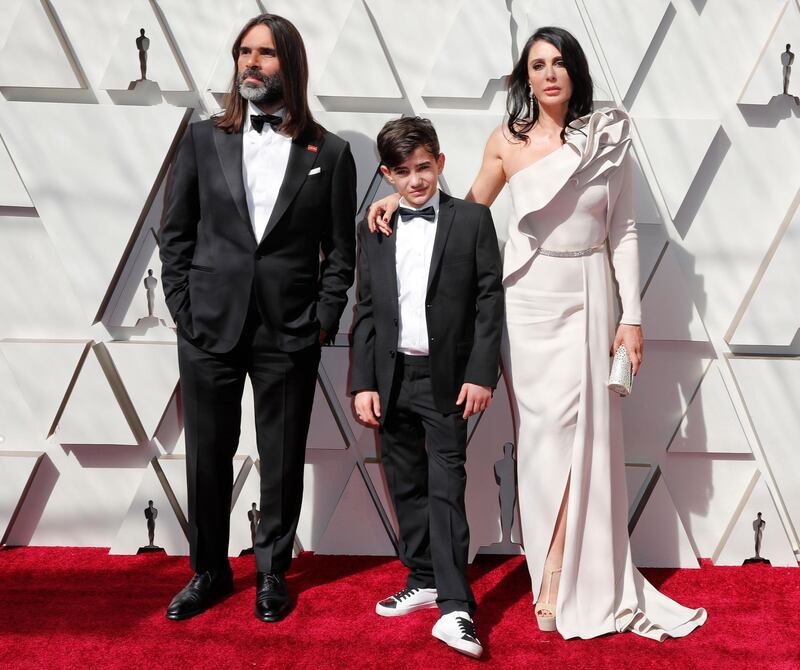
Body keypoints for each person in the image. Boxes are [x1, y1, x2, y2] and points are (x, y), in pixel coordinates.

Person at [368, 27, 706, 641]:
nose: (548, 74)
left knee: (592, 443)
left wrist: (633, 315)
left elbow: (623, 232)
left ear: (574, 71)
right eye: (536, 65)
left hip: (590, 297)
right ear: (525, 77)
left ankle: (574, 580)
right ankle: (548, 576)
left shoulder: (608, 137)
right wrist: (404, 204)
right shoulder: (505, 142)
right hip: (526, 304)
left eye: (558, 63)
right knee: (544, 444)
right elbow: (462, 214)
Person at [159, 13, 356, 623]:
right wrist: (184, 310)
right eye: (244, 51)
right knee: (207, 454)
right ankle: (209, 570)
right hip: (209, 325)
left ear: (289, 64)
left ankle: (272, 572)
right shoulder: (199, 139)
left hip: (288, 328)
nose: (251, 62)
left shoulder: (334, 152)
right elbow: (175, 234)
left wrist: (321, 319)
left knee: (281, 454)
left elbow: (340, 254)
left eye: (265, 53)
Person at [351, 117, 503, 658]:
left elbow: (489, 302)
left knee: (446, 490)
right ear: (387, 175)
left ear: (440, 163)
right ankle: (423, 578)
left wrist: (481, 373)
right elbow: (366, 308)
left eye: (424, 168)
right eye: (403, 172)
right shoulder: (373, 226)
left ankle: (457, 607)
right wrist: (362, 381)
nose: (416, 181)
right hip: (391, 379)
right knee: (405, 484)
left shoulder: (473, 221)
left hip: (446, 383)